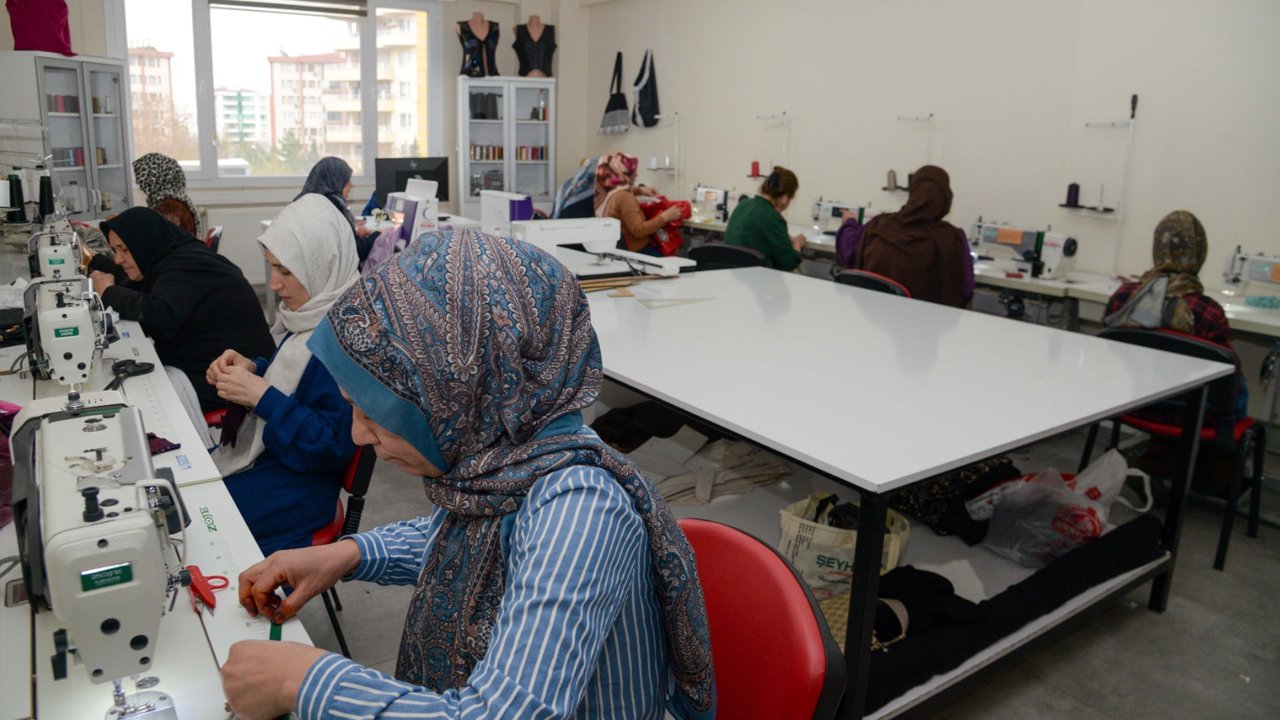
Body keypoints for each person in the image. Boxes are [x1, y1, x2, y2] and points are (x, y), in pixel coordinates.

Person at [220, 229, 716, 720]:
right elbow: (466, 538)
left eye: (374, 414)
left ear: (460, 394)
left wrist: (303, 681)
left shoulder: (580, 509)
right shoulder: (505, 459)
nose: (356, 437)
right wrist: (348, 553)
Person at [206, 194, 359, 556]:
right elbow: (297, 381)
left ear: (323, 266)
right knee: (190, 497)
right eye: (272, 267)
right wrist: (254, 368)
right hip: (279, 461)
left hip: (303, 484)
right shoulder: (312, 313)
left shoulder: (347, 340)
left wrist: (261, 396)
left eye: (286, 271)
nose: (273, 284)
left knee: (197, 519)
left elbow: (331, 447)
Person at [88, 207, 274, 412]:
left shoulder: (186, 264)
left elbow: (158, 314)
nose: (118, 259)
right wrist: (94, 264)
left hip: (231, 376)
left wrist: (107, 291)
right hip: (210, 363)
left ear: (143, 242)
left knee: (137, 401)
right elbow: (136, 285)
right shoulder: (170, 257)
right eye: (115, 251)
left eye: (124, 249)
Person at [1105, 210, 1247, 416]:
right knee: (1238, 379)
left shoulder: (1125, 296)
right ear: (1199, 252)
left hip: (1136, 404)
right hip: (1191, 414)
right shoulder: (1208, 311)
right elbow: (1226, 371)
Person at [854, 165, 974, 307]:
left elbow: (849, 249)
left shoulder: (878, 226)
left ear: (913, 192)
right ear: (946, 199)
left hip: (874, 317)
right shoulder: (951, 239)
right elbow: (965, 290)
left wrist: (849, 223)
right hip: (926, 324)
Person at [595, 152, 682, 255]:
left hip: (620, 251)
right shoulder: (625, 198)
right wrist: (665, 217)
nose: (636, 175)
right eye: (631, 172)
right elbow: (639, 230)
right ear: (621, 174)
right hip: (638, 252)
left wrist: (640, 190)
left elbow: (624, 194)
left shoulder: (608, 192)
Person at [723, 166, 806, 271]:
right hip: (758, 279)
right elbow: (789, 262)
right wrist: (798, 244)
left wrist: (782, 236)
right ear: (785, 198)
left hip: (733, 274)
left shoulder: (744, 204)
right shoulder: (773, 216)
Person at [297, 156, 377, 265]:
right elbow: (355, 252)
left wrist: (353, 234)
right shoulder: (333, 206)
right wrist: (377, 235)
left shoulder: (304, 201)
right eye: (346, 180)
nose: (351, 185)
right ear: (336, 180)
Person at [133, 152, 201, 238]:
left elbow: (157, 239)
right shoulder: (176, 198)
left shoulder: (168, 206)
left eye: (142, 177)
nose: (138, 182)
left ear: (155, 178)